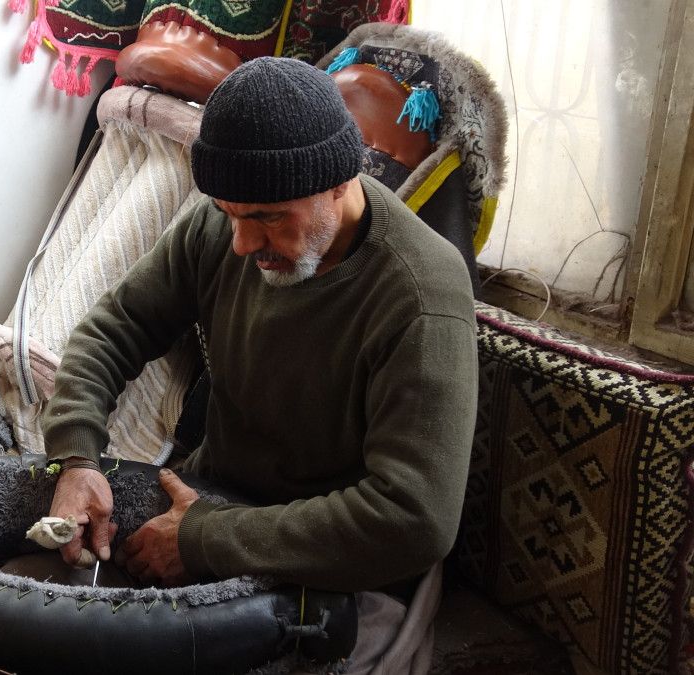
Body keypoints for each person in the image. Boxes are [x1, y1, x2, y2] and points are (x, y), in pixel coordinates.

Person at [41, 56, 478, 668]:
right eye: (229, 214)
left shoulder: (421, 293)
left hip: (343, 565)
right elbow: (113, 329)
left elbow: (413, 519)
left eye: (269, 219)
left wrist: (204, 539)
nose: (243, 245)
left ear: (338, 183)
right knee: (56, 626)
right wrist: (77, 456)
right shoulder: (227, 224)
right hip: (215, 495)